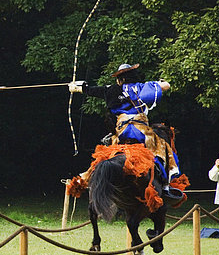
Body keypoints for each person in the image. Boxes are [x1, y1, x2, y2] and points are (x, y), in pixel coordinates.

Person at [69, 63, 180, 192]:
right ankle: (165, 185)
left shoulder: (110, 89)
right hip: (141, 132)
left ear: (119, 80)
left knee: (107, 154)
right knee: (161, 149)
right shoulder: (142, 87)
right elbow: (166, 86)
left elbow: (92, 90)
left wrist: (78, 87)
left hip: (121, 133)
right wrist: (161, 82)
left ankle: (86, 178)